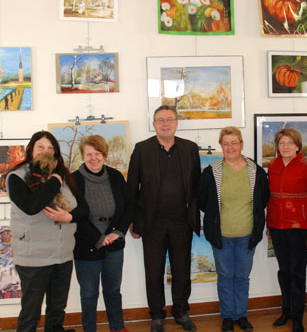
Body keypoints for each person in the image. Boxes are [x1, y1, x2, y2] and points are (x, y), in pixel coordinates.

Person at [6, 131, 89, 332]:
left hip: (62, 256)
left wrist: (68, 217)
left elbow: (83, 209)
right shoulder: (16, 177)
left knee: (57, 310)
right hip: (33, 258)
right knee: (30, 315)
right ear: (30, 150)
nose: (46, 151)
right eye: (41, 147)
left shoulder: (64, 175)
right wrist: (54, 182)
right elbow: (31, 206)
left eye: (51, 148)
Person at [127, 105, 201, 332]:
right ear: (154, 124)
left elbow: (196, 186)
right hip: (152, 224)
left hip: (181, 222)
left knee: (181, 269)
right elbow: (131, 188)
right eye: (161, 120)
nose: (165, 124)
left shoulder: (189, 148)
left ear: (177, 122)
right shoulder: (142, 149)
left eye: (170, 119)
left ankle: (180, 311)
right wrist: (133, 221)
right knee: (154, 270)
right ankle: (157, 314)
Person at [199, 127, 269, 332]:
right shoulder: (211, 172)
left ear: (242, 144)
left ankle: (241, 315)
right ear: (221, 145)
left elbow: (263, 199)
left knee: (242, 278)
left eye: (234, 142)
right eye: (226, 143)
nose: (230, 147)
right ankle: (227, 316)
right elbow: (203, 201)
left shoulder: (255, 171)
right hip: (222, 236)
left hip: (248, 235)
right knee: (225, 277)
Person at [72, 135, 132, 332]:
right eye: (89, 154)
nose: (94, 158)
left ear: (104, 155)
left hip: (114, 243)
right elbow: (75, 216)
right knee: (89, 294)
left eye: (98, 153)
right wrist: (99, 238)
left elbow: (127, 208)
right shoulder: (74, 181)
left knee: (113, 290)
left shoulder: (115, 176)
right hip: (86, 245)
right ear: (83, 156)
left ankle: (118, 327)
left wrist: (118, 232)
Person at [267, 128, 307, 332]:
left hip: (300, 228)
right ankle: (286, 311)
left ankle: (297, 317)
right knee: (284, 272)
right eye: (282, 143)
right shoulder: (273, 165)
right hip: (277, 227)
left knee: (297, 273)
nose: (286, 147)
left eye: (290, 143)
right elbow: (270, 198)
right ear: (277, 146)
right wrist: (268, 225)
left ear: (298, 146)